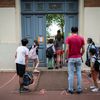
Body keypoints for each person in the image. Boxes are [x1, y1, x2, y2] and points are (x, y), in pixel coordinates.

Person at [65, 27, 85, 94]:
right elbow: (83, 49)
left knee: (71, 74)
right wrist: (80, 55)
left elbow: (67, 49)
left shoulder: (69, 38)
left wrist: (66, 57)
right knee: (79, 73)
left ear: (71, 31)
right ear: (77, 31)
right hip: (78, 57)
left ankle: (70, 89)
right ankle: (79, 89)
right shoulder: (81, 38)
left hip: (71, 58)